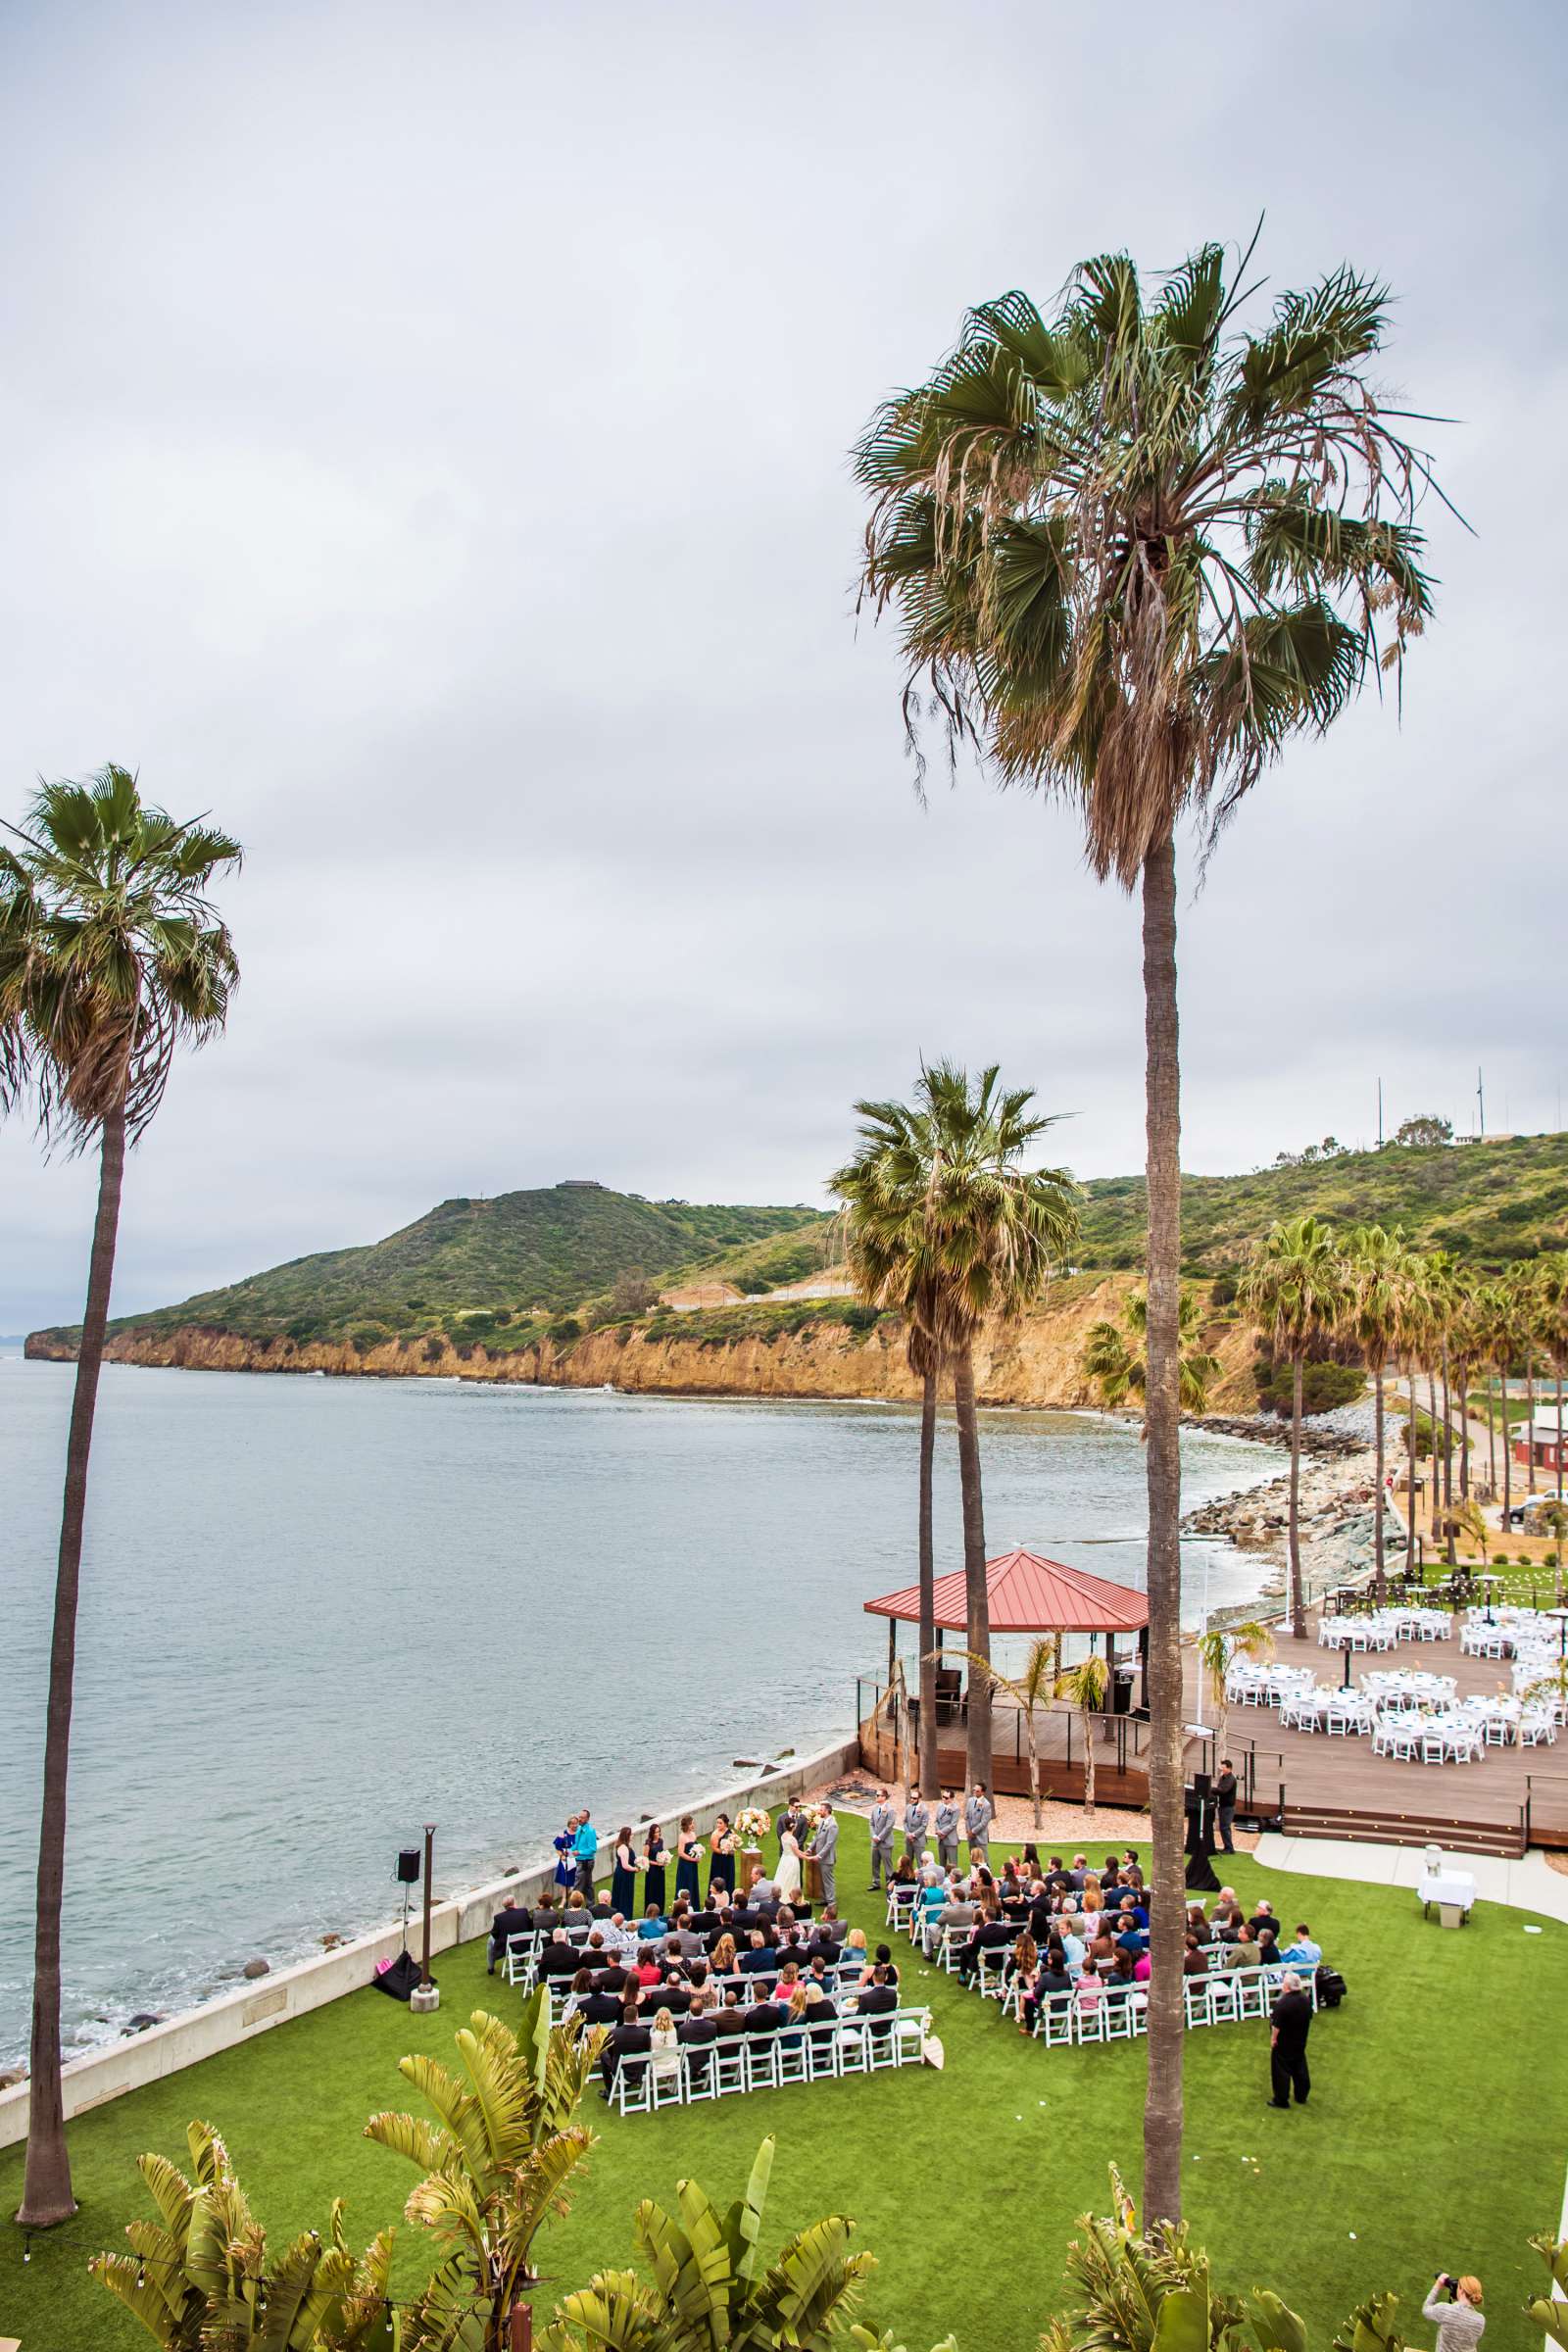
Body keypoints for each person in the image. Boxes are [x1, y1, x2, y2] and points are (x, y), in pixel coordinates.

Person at [1266, 1970, 1312, 2108]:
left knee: (1281, 2071)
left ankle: (1281, 2099)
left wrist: (1273, 2039)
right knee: (1300, 2066)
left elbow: (1276, 2026)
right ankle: (1301, 2095)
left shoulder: (1283, 2004)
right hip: (1300, 2039)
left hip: (1284, 2041)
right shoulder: (1305, 2000)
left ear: (1286, 1986)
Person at [1422, 2278, 1485, 2352]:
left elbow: (1426, 2310)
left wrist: (1437, 2285)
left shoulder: (1445, 2310)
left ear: (1461, 2290)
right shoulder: (1480, 2320)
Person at [487, 1893, 533, 1975]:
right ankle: (521, 1962)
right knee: (522, 1936)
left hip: (508, 1949)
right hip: (525, 1946)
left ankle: (491, 1967)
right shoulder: (524, 1912)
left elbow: (495, 1934)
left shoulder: (499, 1918)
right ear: (514, 1902)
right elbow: (530, 1928)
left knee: (490, 1939)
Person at [868, 1789, 896, 1889]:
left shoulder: (890, 1810)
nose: (876, 1796)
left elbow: (889, 1826)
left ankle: (890, 1884)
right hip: (875, 1842)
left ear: (884, 1797)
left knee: (887, 1865)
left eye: (878, 1795)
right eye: (876, 1795)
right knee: (874, 1863)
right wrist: (874, 1836)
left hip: (885, 1842)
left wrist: (879, 1837)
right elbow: (871, 1823)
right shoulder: (875, 1808)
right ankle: (876, 1883)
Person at [813, 1801, 839, 1906]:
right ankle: (825, 1899)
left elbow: (829, 1843)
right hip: (820, 1857)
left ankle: (831, 1902)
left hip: (827, 1858)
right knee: (822, 1880)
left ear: (827, 1811)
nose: (820, 1811)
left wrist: (819, 1855)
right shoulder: (822, 1821)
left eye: (822, 1810)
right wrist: (810, 1849)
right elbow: (817, 1837)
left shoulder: (833, 1825)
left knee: (828, 1880)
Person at [609, 1829, 639, 1919]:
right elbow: (625, 1865)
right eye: (631, 1834)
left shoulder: (626, 1846)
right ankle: (623, 1916)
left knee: (625, 1894)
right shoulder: (623, 1848)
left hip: (626, 1874)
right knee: (624, 1895)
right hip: (624, 1875)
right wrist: (635, 1869)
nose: (632, 1836)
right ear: (627, 1836)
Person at [675, 1816, 704, 1905]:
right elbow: (680, 1853)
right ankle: (683, 1904)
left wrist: (699, 1854)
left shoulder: (693, 1834)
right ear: (687, 1825)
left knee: (693, 1882)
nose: (693, 1825)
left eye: (693, 1823)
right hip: (685, 1865)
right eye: (691, 1823)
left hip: (693, 1864)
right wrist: (693, 1859)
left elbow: (696, 1847)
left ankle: (694, 1904)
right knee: (686, 1882)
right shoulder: (682, 1836)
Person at [709, 1813, 736, 1900]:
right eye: (717, 1823)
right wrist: (725, 1851)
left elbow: (735, 1844)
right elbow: (714, 1848)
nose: (718, 1825)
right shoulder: (715, 1834)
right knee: (719, 1877)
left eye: (720, 1823)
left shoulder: (731, 1832)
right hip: (718, 1860)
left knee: (729, 1877)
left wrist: (732, 1848)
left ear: (725, 1823)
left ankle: (729, 1898)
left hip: (729, 1859)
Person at [649, 2006, 680, 2082]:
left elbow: (651, 2049)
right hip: (672, 2062)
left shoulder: (654, 2033)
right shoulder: (674, 2031)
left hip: (658, 2064)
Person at [965, 1783, 994, 1867]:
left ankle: (988, 1876)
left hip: (980, 1836)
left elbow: (984, 1822)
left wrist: (973, 1831)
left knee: (984, 1860)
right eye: (974, 1790)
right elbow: (966, 1817)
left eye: (977, 1791)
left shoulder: (986, 1804)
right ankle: (974, 1875)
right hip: (970, 1836)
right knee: (972, 1858)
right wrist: (968, 1831)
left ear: (982, 1792)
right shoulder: (970, 1800)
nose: (974, 1792)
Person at [775, 1818, 804, 1903]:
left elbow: (795, 1850)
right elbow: (797, 1853)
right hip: (792, 1861)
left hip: (785, 1859)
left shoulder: (783, 1835)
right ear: (794, 1826)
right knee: (792, 1879)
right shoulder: (792, 1839)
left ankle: (780, 1895)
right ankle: (791, 1898)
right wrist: (809, 1858)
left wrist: (805, 1853)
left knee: (783, 1877)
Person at [642, 1824, 667, 1916]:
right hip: (652, 1871)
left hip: (660, 1870)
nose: (658, 1833)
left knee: (660, 1890)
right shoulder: (648, 1843)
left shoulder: (661, 1841)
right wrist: (657, 1863)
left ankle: (660, 1911)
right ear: (652, 1833)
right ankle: (650, 1912)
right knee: (652, 1891)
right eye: (656, 1831)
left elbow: (662, 1852)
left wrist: (665, 1859)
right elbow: (645, 1859)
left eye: (659, 1831)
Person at [1215, 1758, 1239, 1853]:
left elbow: (1223, 1790)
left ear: (1229, 1768)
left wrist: (1211, 1789)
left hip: (1228, 1807)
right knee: (1223, 1827)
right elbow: (1219, 1788)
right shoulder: (1223, 1778)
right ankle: (1227, 1847)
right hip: (1223, 1805)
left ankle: (1229, 1848)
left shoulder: (1231, 1779)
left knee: (1225, 1827)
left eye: (1224, 1767)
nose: (1222, 1769)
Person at [573, 1810, 599, 1895]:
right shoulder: (579, 1829)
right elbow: (576, 1843)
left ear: (587, 1819)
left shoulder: (590, 1831)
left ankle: (572, 1907)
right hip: (580, 1860)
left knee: (578, 1884)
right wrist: (570, 1850)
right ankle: (590, 1905)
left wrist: (579, 1852)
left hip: (586, 1862)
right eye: (579, 1817)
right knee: (588, 1884)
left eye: (582, 1818)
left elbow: (593, 1849)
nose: (579, 1819)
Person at [903, 1788, 930, 1864]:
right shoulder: (908, 1807)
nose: (912, 1799)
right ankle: (908, 1876)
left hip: (919, 1840)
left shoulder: (925, 1810)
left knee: (920, 1863)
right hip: (908, 1839)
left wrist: (913, 1835)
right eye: (911, 1797)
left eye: (914, 1798)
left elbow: (924, 1826)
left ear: (919, 1799)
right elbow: (905, 1822)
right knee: (908, 1862)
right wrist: (908, 1833)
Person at [934, 1791, 960, 1871]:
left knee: (953, 1864)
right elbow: (936, 1821)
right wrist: (938, 1831)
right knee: (942, 1864)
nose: (943, 1799)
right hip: (940, 1839)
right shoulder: (939, 1805)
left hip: (950, 1839)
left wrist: (942, 1832)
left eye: (946, 1798)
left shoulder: (956, 1809)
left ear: (951, 1799)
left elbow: (953, 1824)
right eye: (943, 1796)